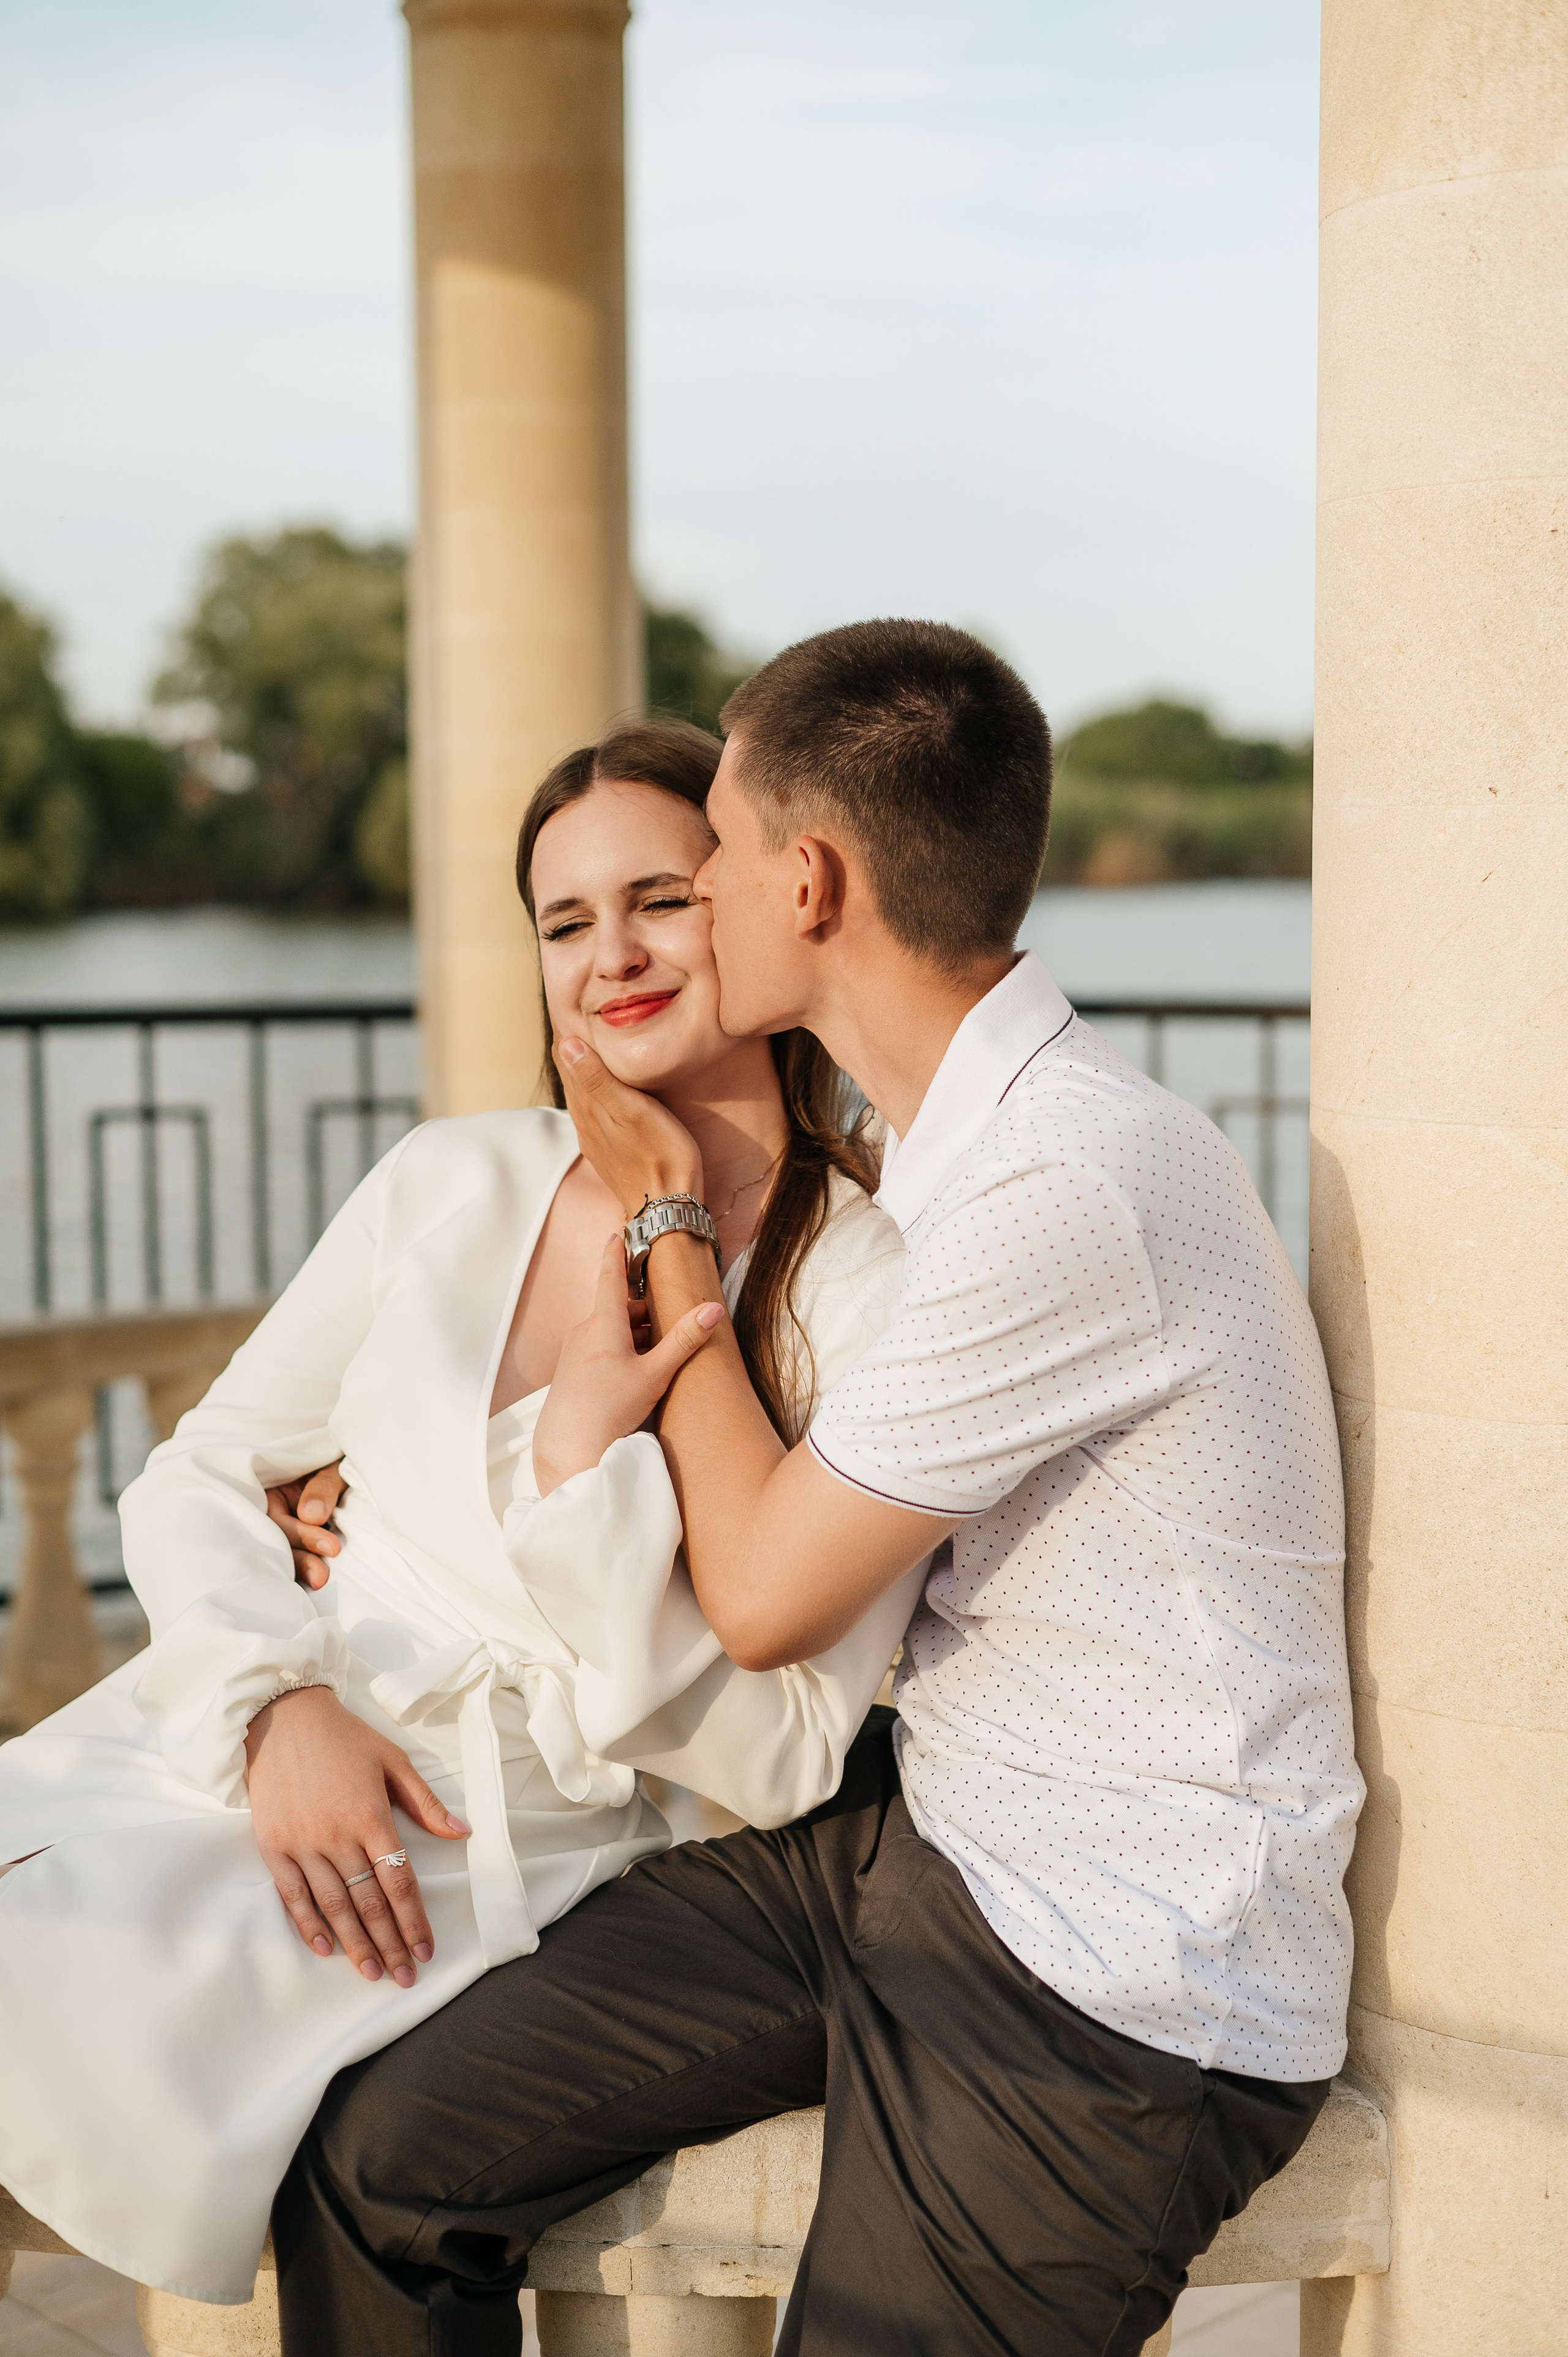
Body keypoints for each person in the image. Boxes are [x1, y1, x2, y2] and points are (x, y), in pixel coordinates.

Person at [273, 620, 1363, 2357]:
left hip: (1114, 1970)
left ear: (809, 881)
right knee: (381, 2155)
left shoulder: (1064, 1181)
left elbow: (773, 1592)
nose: (684, 896)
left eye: (705, 851)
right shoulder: (960, 1148)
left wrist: (662, 1221)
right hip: (915, 1839)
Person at [0, 718, 923, 2305]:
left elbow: (781, 1752)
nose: (611, 957)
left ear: (765, 906)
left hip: (450, 1868)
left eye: (662, 900)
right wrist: (271, 1702)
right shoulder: (453, 1181)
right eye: (566, 923)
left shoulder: (861, 1281)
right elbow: (198, 1474)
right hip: (218, 1751)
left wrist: (583, 1445)